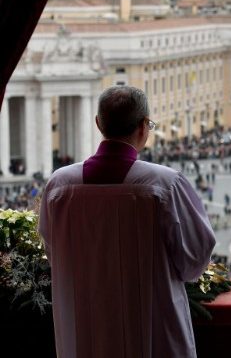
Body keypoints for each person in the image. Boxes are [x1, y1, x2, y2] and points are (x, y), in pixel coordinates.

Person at [39, 86, 216, 358]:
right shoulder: (165, 184)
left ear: (99, 124)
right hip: (153, 323)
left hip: (85, 320)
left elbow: (54, 251)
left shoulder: (59, 186)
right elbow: (194, 259)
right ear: (144, 127)